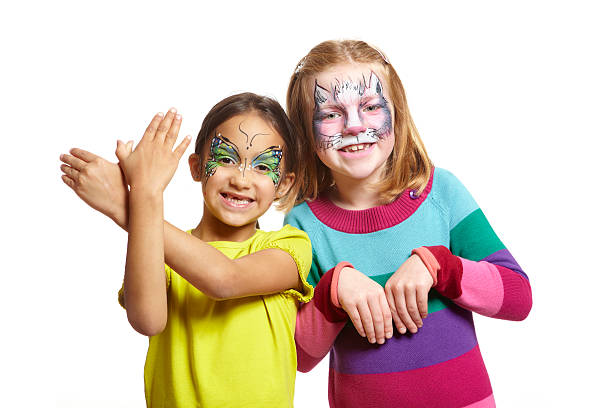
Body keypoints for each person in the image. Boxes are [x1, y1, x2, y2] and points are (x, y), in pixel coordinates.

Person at [285, 40, 533, 407]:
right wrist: (332, 291)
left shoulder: (440, 193)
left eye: (370, 107)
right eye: (331, 114)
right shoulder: (303, 224)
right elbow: (301, 356)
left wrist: (441, 266)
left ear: (396, 113)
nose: (354, 126)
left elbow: (518, 298)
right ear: (306, 131)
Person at [60, 93, 315, 408]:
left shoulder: (289, 245)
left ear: (285, 184)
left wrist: (129, 203)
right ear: (196, 167)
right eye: (225, 159)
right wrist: (145, 199)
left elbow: (225, 279)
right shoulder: (159, 251)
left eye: (263, 167)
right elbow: (147, 321)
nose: (241, 179)